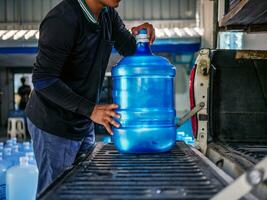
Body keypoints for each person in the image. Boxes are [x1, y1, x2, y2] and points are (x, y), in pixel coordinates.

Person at [25, 0, 155, 194]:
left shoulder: (107, 15)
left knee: (83, 189)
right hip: (53, 123)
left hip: (82, 120)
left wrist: (142, 37)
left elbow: (131, 50)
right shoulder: (62, 20)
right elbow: (43, 80)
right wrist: (91, 110)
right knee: (56, 192)